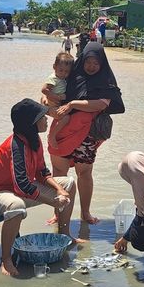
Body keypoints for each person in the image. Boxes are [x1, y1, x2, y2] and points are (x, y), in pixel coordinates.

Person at [0, 99, 82, 276]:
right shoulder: (16, 146)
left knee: (69, 183)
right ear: (31, 122)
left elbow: (42, 172)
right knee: (16, 206)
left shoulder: (34, 140)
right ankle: (6, 259)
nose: (46, 119)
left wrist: (59, 190)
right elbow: (22, 186)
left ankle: (64, 234)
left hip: (16, 188)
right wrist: (53, 201)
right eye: (42, 116)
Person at [47, 42, 125, 225]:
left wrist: (73, 104)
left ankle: (85, 213)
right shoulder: (70, 75)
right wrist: (46, 97)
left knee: (84, 173)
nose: (91, 66)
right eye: (88, 62)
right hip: (61, 131)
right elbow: (53, 89)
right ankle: (58, 215)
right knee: (59, 172)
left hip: (86, 135)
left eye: (96, 63)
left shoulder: (106, 81)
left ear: (102, 64)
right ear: (81, 61)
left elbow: (101, 104)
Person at [41, 52, 75, 148]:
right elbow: (44, 90)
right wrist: (58, 97)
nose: (63, 73)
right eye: (61, 70)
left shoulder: (62, 78)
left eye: (66, 71)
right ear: (54, 67)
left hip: (54, 105)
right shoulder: (54, 78)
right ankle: (52, 136)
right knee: (66, 118)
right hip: (53, 106)